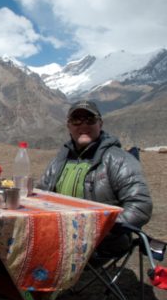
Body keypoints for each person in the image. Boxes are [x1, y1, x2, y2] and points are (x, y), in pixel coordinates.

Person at [39, 100, 153, 255]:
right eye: (76, 120)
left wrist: (101, 228)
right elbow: (40, 194)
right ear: (69, 126)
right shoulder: (60, 160)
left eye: (90, 120)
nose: (83, 125)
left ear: (100, 124)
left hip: (102, 241)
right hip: (58, 233)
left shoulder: (118, 159)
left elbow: (140, 206)